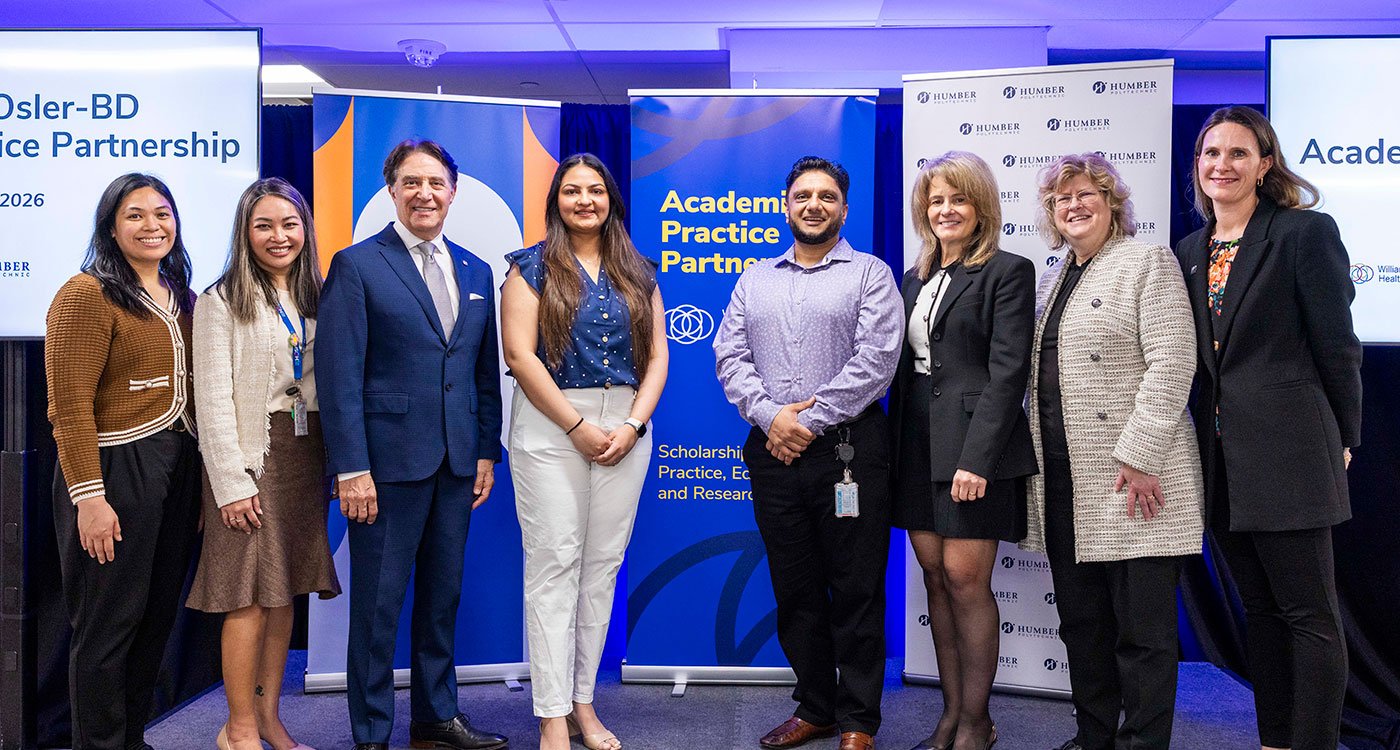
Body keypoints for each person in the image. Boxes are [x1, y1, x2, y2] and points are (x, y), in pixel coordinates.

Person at [1175, 106, 1361, 750]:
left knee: (1309, 616)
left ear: (1265, 164)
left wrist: (1344, 437)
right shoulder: (1190, 251)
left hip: (1293, 451)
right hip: (1221, 462)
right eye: (1210, 154)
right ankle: (1274, 740)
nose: (1221, 165)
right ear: (1197, 167)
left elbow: (1338, 345)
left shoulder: (1303, 234)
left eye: (1237, 153)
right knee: (1261, 612)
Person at [318, 139, 507, 750]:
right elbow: (340, 375)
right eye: (411, 182)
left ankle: (435, 717)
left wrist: (485, 450)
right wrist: (351, 468)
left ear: (453, 192)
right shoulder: (357, 265)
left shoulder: (478, 270)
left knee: (441, 598)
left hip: (456, 462)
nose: (424, 193)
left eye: (436, 183)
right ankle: (372, 732)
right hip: (385, 466)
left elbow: (483, 369)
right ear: (392, 191)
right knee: (377, 606)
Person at [714, 156, 902, 750]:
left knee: (856, 586)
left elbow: (875, 362)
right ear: (785, 205)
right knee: (794, 587)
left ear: (844, 208)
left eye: (826, 196)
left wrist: (806, 422)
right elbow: (729, 356)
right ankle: (816, 705)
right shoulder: (755, 279)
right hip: (772, 452)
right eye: (801, 196)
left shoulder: (872, 274)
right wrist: (773, 418)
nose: (813, 205)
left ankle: (857, 721)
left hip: (849, 451)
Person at [1020, 154, 1203, 750]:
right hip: (1065, 481)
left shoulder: (1146, 260)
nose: (1072, 206)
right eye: (1060, 199)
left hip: (1134, 479)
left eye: (1084, 195)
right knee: (1083, 626)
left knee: (1143, 635)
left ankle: (1143, 744)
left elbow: (1174, 361)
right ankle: (1094, 735)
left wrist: (1140, 455)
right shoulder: (1055, 276)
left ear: (1112, 203)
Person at [501, 153, 668, 750]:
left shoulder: (638, 271)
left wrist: (633, 425)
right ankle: (550, 717)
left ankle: (582, 704)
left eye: (595, 190)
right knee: (554, 568)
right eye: (571, 191)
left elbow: (657, 358)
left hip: (624, 427)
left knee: (600, 571)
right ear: (556, 202)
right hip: (551, 427)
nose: (584, 201)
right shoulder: (530, 268)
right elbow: (519, 357)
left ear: (611, 199)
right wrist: (576, 425)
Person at [45, 173, 201, 750]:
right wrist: (89, 498)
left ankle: (131, 739)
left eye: (162, 213)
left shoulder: (182, 295)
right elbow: (68, 406)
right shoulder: (86, 293)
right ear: (111, 225)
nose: (152, 225)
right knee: (107, 628)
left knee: (154, 619)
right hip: (113, 470)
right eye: (135, 215)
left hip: (177, 467)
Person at [187, 177, 341, 750]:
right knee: (247, 596)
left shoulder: (318, 294)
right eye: (264, 225)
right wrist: (230, 483)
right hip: (250, 458)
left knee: (285, 593)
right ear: (245, 233)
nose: (279, 236)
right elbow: (213, 401)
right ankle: (239, 726)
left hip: (305, 451)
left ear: (305, 229)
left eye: (289, 224)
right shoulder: (220, 300)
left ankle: (270, 716)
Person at [890, 152, 1036, 750]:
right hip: (916, 440)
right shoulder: (913, 277)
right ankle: (950, 714)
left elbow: (1008, 374)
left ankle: (977, 721)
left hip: (977, 447)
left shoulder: (1009, 270)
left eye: (958, 199)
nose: (944, 209)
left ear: (981, 209)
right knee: (933, 576)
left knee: (965, 579)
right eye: (935, 199)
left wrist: (976, 459)